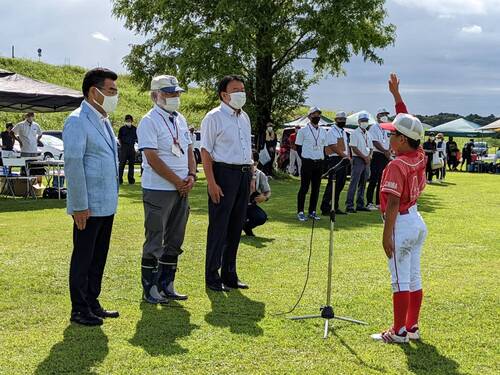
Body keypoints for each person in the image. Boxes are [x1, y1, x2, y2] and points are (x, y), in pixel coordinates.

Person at [371, 73, 427, 344]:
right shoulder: (419, 154)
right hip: (416, 221)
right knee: (413, 277)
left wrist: (386, 234)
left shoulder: (396, 164)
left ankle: (398, 332)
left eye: (393, 135)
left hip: (401, 224)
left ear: (403, 141)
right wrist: (397, 98)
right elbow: (410, 124)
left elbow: (392, 202)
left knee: (399, 280)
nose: (390, 138)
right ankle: (412, 327)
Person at [63, 68, 120, 326]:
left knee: (99, 257)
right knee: (84, 257)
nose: (115, 95)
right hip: (88, 206)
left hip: (106, 204)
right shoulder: (77, 120)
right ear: (93, 92)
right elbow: (74, 163)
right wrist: (79, 205)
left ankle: (92, 301)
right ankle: (79, 308)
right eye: (111, 90)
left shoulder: (103, 119)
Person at [137, 75, 196, 304]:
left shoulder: (180, 119)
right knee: (155, 237)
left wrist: (191, 175)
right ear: (155, 96)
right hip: (159, 188)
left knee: (175, 238)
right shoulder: (149, 121)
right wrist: (176, 181)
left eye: (177, 93)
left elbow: (190, 149)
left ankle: (167, 284)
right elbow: (152, 158)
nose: (175, 97)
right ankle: (150, 288)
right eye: (169, 93)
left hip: (181, 188)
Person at [201, 75, 252, 292]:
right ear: (224, 94)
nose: (241, 93)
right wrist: (212, 182)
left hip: (242, 174)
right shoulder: (214, 117)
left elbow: (247, 148)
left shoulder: (244, 117)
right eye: (236, 89)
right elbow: (205, 151)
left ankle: (230, 273)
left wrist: (250, 176)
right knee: (219, 227)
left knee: (236, 226)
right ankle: (212, 275)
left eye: (242, 89)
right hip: (223, 173)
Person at [295, 106, 327, 222]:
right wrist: (304, 158)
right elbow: (298, 147)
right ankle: (300, 211)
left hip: (319, 162)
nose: (317, 117)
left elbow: (325, 147)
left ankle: (312, 211)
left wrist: (323, 159)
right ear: (309, 116)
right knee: (304, 187)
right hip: (307, 162)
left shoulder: (323, 131)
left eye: (318, 115)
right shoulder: (303, 131)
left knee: (316, 188)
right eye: (314, 115)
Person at [320, 111, 350, 216]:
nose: (342, 121)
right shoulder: (332, 131)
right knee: (332, 184)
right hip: (335, 159)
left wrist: (347, 157)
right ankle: (325, 207)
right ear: (336, 120)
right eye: (340, 119)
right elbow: (333, 146)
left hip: (343, 159)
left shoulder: (343, 132)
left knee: (340, 184)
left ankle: (334, 206)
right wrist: (345, 156)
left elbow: (345, 146)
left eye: (344, 119)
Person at [345, 113, 373, 213]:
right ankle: (349, 205)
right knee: (354, 182)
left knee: (363, 182)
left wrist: (369, 156)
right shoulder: (354, 133)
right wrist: (364, 157)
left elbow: (370, 147)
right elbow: (353, 147)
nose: (365, 123)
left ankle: (360, 204)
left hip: (366, 160)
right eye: (363, 121)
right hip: (358, 159)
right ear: (359, 122)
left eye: (366, 121)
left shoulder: (368, 134)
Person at [366, 108, 392, 210]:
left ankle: (378, 202)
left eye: (386, 114)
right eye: (383, 114)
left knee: (382, 180)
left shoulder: (386, 128)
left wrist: (389, 150)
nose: (385, 116)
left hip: (385, 156)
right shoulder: (374, 128)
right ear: (378, 116)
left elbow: (390, 141)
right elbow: (375, 141)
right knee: (373, 179)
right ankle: (369, 202)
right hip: (377, 155)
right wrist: (385, 151)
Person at [243, 151, 271, 236]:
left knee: (261, 217)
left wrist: (265, 197)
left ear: (257, 163)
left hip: (251, 205)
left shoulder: (260, 175)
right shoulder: (241, 172)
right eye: (250, 163)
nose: (252, 167)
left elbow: (268, 191)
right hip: (238, 204)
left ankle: (246, 227)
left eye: (254, 164)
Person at [117, 114, 137, 184]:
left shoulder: (135, 129)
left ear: (132, 121)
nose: (128, 121)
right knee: (122, 164)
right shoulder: (122, 129)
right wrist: (122, 147)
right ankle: (120, 179)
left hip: (131, 147)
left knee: (131, 165)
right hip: (124, 148)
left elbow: (137, 139)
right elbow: (119, 138)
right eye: (127, 120)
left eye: (129, 120)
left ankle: (131, 180)